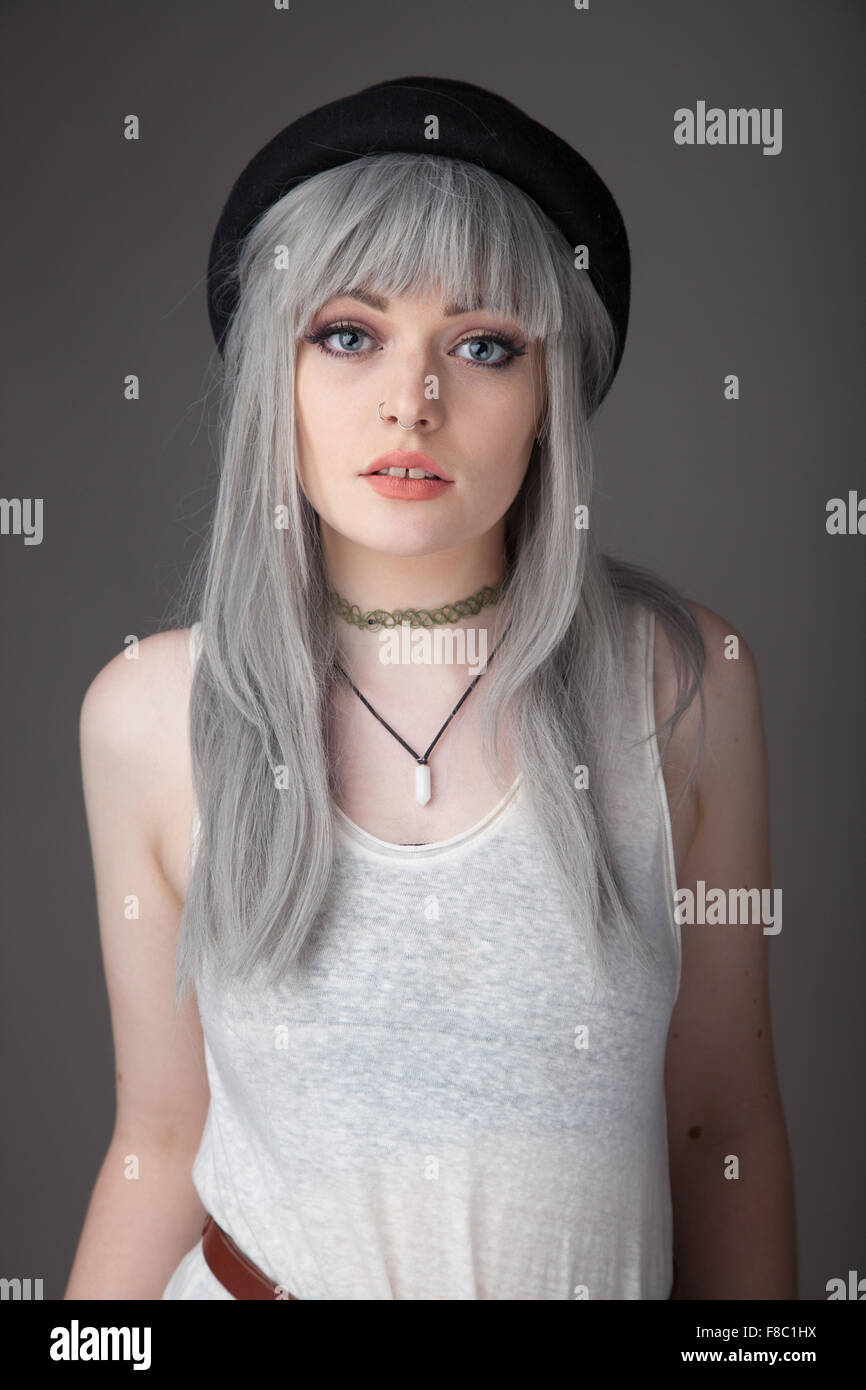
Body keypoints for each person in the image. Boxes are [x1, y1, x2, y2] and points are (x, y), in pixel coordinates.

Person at [65, 77, 796, 1300]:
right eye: (347, 333)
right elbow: (158, 1141)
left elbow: (720, 1129)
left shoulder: (684, 684)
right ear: (271, 381)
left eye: (483, 344)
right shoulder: (146, 712)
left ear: (547, 398)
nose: (412, 399)